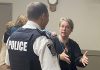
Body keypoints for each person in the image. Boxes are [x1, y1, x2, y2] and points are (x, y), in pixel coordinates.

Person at [6, 2, 61, 70]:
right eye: (48, 16)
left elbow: (8, 64)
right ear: (43, 16)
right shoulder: (44, 41)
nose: (48, 20)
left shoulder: (11, 37)